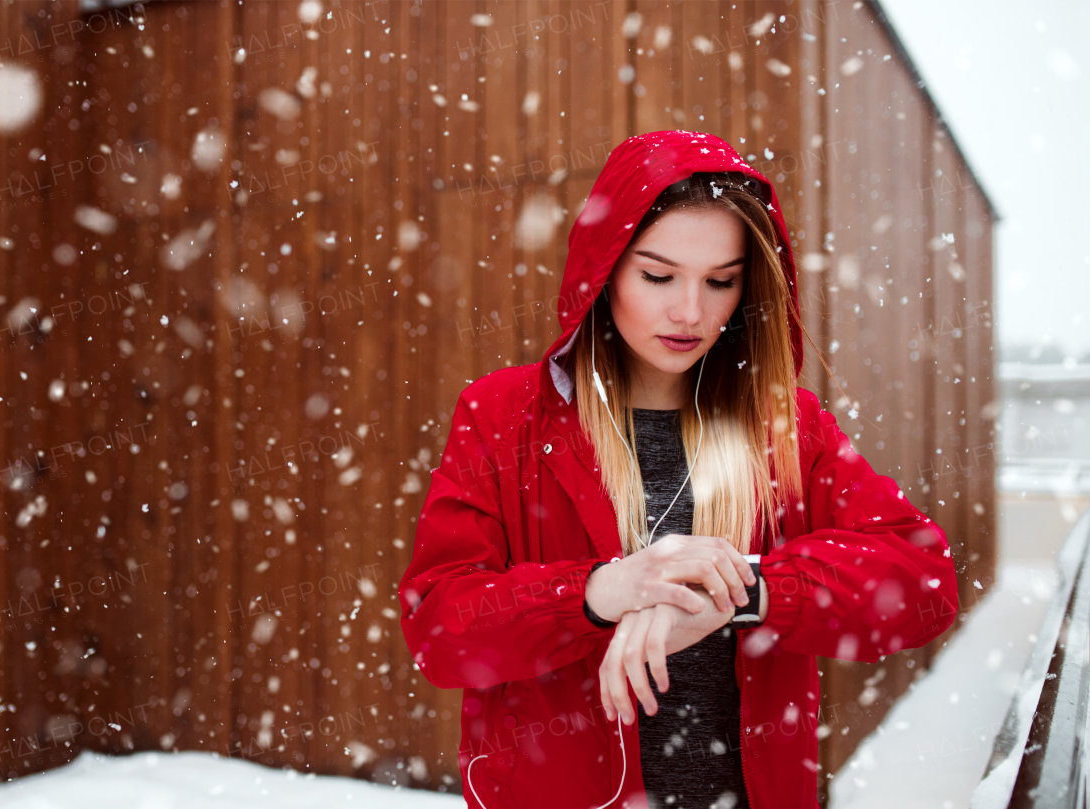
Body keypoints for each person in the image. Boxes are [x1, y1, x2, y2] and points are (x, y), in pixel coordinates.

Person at [398, 130, 958, 809]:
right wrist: (602, 592)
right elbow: (441, 629)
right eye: (658, 276)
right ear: (603, 271)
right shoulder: (504, 416)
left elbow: (924, 581)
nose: (690, 312)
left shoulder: (787, 426)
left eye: (720, 281)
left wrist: (739, 591)